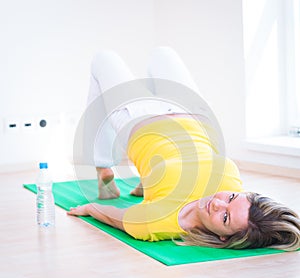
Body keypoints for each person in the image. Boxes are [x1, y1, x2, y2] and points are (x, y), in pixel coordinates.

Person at [68, 47, 300, 252]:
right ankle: (146, 183)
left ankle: (103, 168)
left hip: (139, 116)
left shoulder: (156, 222)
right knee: (163, 54)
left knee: (103, 58)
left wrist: (89, 207)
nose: (218, 203)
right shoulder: (231, 179)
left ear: (223, 237)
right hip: (193, 112)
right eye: (231, 198)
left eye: (225, 217)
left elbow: (111, 216)